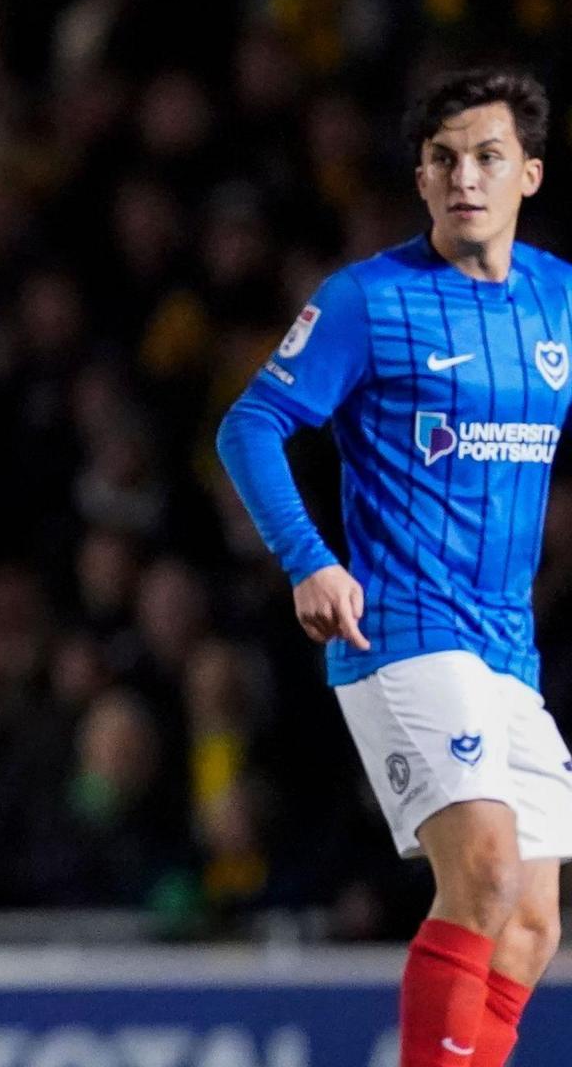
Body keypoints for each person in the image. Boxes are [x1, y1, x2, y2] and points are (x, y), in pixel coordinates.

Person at [217, 69, 568, 1067]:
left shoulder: (557, 298)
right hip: (404, 630)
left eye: (487, 156)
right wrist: (309, 559)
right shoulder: (369, 300)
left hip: (508, 645)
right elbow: (250, 425)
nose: (466, 176)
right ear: (420, 179)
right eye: (444, 159)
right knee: (487, 877)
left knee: (534, 922)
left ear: (527, 175)